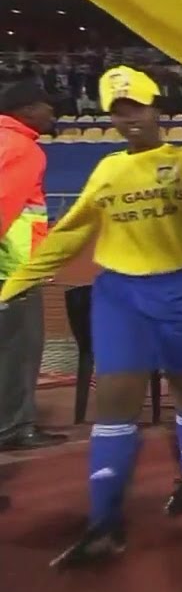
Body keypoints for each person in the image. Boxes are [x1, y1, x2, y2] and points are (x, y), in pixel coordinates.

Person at [0, 66, 182, 568]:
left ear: (156, 108)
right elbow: (69, 234)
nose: (129, 120)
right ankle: (104, 523)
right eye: (118, 113)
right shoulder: (107, 170)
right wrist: (12, 287)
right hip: (120, 296)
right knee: (114, 404)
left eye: (137, 108)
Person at [0, 81, 67, 451]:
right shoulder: (23, 148)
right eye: (46, 106)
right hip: (14, 271)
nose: (52, 113)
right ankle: (14, 427)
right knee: (20, 351)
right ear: (25, 110)